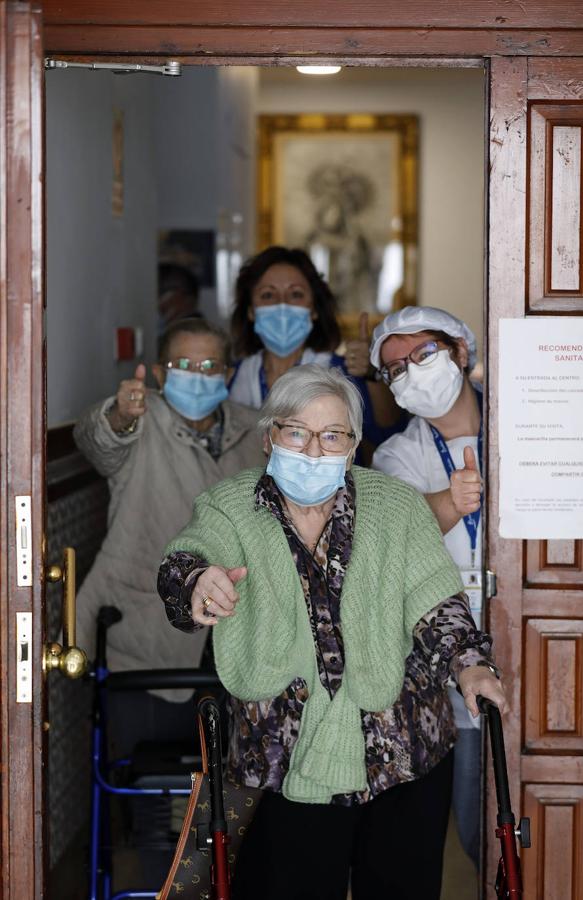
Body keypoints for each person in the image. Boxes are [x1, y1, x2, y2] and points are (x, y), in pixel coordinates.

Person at [157, 364, 506, 900]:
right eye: (297, 432)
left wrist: (470, 664)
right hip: (281, 759)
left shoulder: (396, 506)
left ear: (353, 446)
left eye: (332, 435)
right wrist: (197, 582)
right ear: (269, 436)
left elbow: (435, 600)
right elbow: (187, 557)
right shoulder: (230, 507)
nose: (314, 450)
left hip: (403, 754)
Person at [74, 317, 265, 751]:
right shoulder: (141, 419)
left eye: (209, 366)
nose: (197, 376)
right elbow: (96, 441)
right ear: (160, 374)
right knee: (146, 775)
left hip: (239, 634)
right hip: (143, 635)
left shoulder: (257, 431)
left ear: (227, 374)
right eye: (183, 365)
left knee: (226, 775)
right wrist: (119, 415)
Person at [369, 305, 485, 869]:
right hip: (446, 655)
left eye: (424, 353)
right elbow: (397, 531)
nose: (411, 372)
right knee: (475, 823)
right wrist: (449, 502)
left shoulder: (528, 421)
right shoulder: (396, 454)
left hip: (533, 639)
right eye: (395, 368)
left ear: (460, 352)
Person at [228, 245, 403, 459]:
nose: (282, 305)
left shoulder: (345, 374)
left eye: (295, 294)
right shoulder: (230, 379)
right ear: (250, 311)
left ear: (313, 310)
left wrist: (373, 373)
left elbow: (388, 437)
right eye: (268, 295)